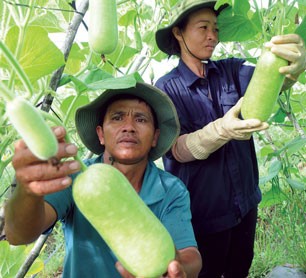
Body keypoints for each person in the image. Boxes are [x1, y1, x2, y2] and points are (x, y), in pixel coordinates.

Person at [154, 0, 306, 277]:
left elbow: (271, 81)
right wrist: (220, 131)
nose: (213, 36)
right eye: (203, 28)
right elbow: (176, 149)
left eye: (215, 28)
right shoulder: (166, 88)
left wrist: (293, 69)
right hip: (204, 215)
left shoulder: (231, 70)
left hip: (245, 204)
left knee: (240, 270)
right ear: (178, 33)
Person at [4, 82, 202, 277]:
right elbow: (18, 234)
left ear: (155, 138)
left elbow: (190, 255)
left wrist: (179, 268)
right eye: (117, 118)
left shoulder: (171, 189)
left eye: (141, 119)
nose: (129, 127)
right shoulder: (75, 176)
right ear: (100, 134)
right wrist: (28, 190)